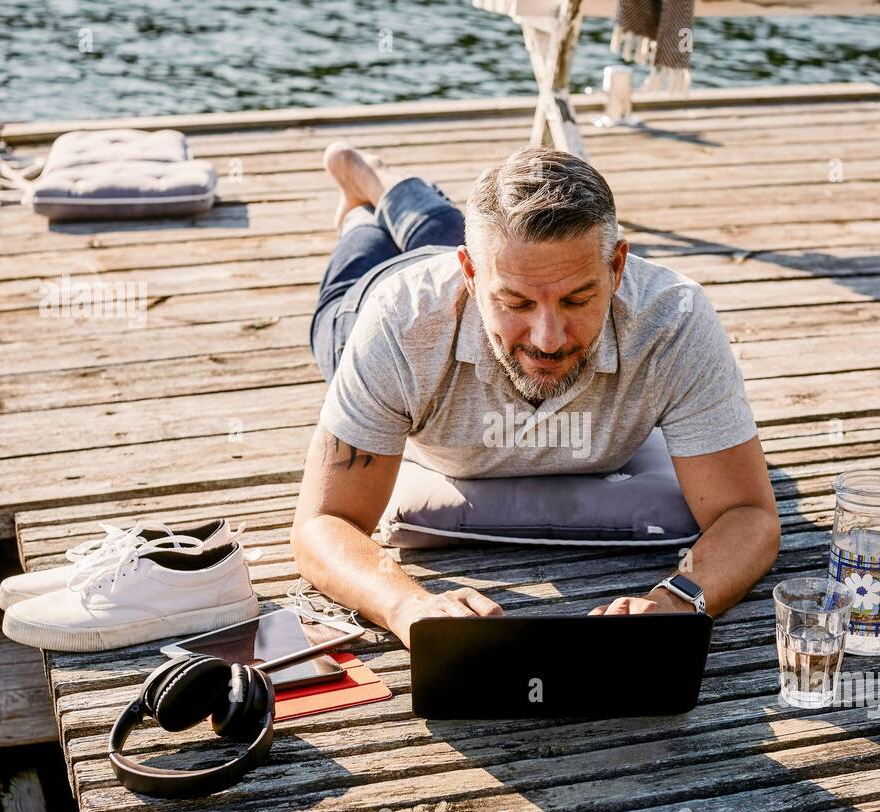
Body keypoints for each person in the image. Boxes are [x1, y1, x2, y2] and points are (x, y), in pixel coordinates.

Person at [293, 142, 780, 647]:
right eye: (516, 302)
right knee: (363, 240)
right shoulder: (396, 322)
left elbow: (749, 515)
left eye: (577, 299)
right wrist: (406, 603)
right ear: (471, 275)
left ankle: (388, 189)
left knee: (439, 228)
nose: (548, 338)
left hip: (477, 262)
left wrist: (678, 600)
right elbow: (322, 523)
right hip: (366, 298)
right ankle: (367, 194)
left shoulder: (674, 319)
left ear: (617, 268)